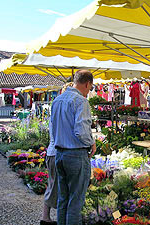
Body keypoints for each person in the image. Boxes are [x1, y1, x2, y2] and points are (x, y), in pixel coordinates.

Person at [51, 70, 96, 225]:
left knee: (63, 199)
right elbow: (81, 131)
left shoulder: (57, 100)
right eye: (90, 87)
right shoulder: (81, 101)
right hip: (76, 155)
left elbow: (53, 128)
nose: (89, 90)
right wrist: (91, 142)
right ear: (87, 83)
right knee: (75, 202)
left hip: (60, 154)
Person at [40, 82, 74, 225]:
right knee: (53, 186)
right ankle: (45, 217)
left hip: (52, 152)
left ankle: (48, 217)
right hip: (55, 153)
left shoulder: (56, 108)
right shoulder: (61, 111)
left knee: (55, 185)